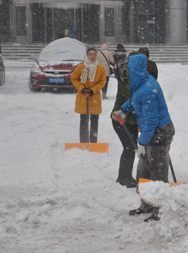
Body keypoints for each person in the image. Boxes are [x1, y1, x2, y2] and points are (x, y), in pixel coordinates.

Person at [112, 54, 175, 183]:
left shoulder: (147, 91)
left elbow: (151, 122)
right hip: (152, 132)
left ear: (132, 71)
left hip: (159, 133)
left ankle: (157, 196)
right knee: (144, 167)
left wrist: (142, 143)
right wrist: (123, 110)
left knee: (157, 169)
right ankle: (145, 191)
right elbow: (135, 99)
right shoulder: (142, 82)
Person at [111, 50, 141, 188]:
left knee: (132, 147)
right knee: (129, 147)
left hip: (132, 120)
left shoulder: (135, 76)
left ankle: (127, 176)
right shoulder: (125, 77)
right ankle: (123, 177)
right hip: (120, 118)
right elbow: (131, 99)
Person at [71, 47, 107, 143]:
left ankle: (93, 142)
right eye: (90, 54)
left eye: (94, 54)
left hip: (94, 97)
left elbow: (103, 81)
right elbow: (74, 79)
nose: (92, 56)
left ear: (96, 56)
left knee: (94, 121)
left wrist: (93, 90)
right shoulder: (81, 67)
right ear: (87, 56)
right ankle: (83, 141)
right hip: (83, 98)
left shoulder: (100, 68)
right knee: (84, 120)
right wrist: (82, 88)